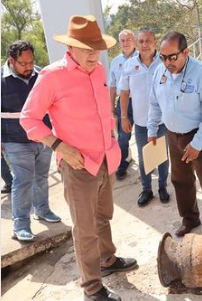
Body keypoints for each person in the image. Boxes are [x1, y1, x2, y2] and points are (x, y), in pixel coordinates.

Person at [20, 15, 137, 301]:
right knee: (85, 229)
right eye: (87, 48)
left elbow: (100, 112)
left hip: (106, 158)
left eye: (97, 47)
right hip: (77, 165)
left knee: (103, 217)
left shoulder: (98, 71)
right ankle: (92, 289)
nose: (94, 54)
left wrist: (112, 141)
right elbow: (29, 118)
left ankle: (107, 260)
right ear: (70, 48)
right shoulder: (52, 76)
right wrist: (58, 145)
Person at [147, 32, 202, 238]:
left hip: (198, 135)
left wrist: (198, 143)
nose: (167, 62)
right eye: (163, 57)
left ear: (186, 52)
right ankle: (190, 219)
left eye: (172, 57)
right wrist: (151, 130)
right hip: (173, 135)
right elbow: (155, 103)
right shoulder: (159, 72)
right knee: (180, 180)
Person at [1, 40, 61, 241]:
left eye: (31, 62)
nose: (29, 67)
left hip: (43, 138)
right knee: (23, 181)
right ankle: (21, 225)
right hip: (15, 140)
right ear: (11, 61)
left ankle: (43, 210)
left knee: (41, 177)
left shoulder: (41, 75)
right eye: (23, 63)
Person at [120, 28, 170, 207]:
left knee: (162, 156)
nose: (145, 44)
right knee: (144, 158)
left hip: (162, 121)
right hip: (140, 123)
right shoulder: (129, 65)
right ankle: (147, 189)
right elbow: (124, 93)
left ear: (155, 42)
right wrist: (124, 117)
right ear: (137, 43)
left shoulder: (164, 63)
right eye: (141, 41)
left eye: (148, 40)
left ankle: (162, 187)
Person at [108, 29, 137, 180]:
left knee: (145, 134)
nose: (126, 43)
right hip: (123, 103)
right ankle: (123, 161)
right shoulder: (115, 62)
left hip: (141, 101)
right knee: (123, 136)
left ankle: (150, 161)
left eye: (128, 39)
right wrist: (111, 106)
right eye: (123, 41)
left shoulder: (142, 58)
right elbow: (112, 86)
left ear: (134, 40)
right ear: (119, 43)